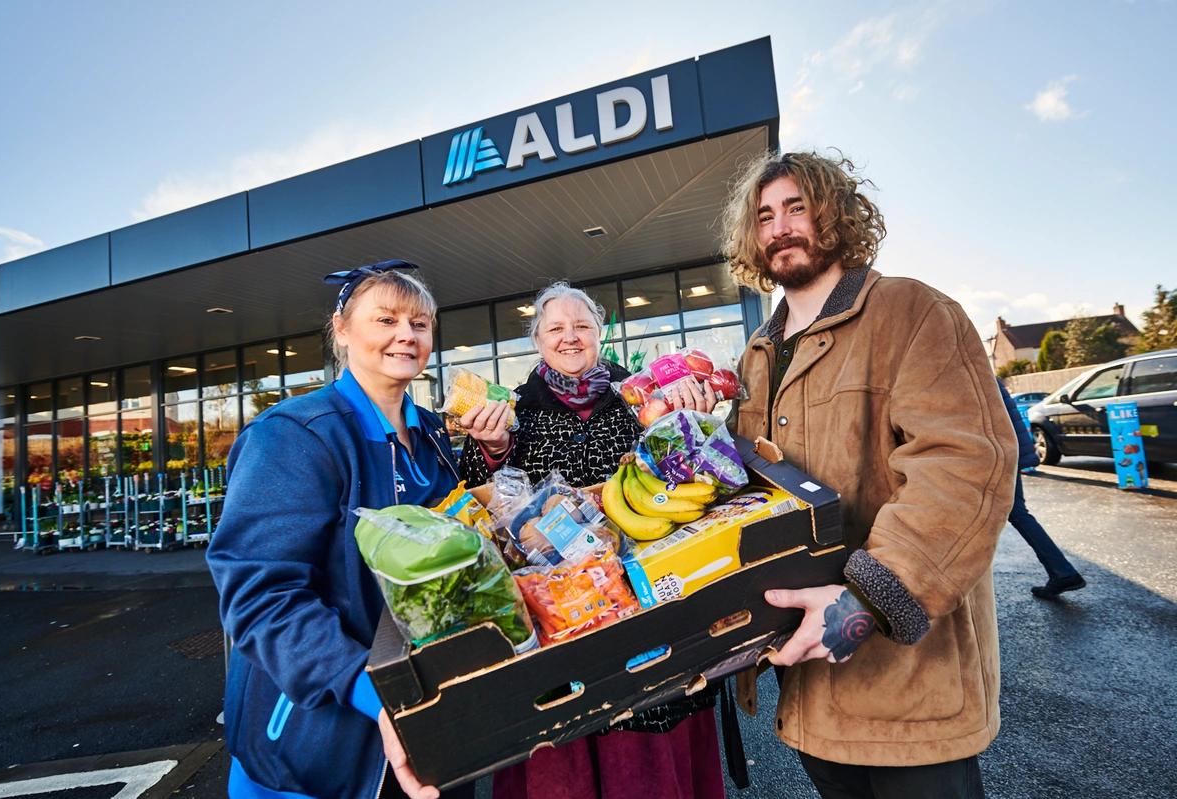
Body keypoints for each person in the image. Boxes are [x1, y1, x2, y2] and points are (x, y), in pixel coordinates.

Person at [721, 150, 1016, 799]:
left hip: (908, 697)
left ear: (837, 212)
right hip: (810, 697)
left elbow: (967, 467)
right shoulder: (757, 353)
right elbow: (756, 488)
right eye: (764, 215)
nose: (780, 226)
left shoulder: (911, 310)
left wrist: (863, 605)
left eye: (797, 206)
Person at [457, 281, 726, 799]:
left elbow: (695, 477)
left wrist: (691, 421)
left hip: (644, 593)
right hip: (557, 606)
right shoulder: (512, 409)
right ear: (537, 340)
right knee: (563, 739)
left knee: (646, 724)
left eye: (582, 326)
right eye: (555, 328)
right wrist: (491, 449)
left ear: (600, 334)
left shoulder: (642, 395)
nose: (570, 337)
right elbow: (478, 501)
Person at [207, 261, 464, 799]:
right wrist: (374, 693)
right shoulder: (296, 435)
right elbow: (261, 596)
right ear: (342, 330)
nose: (405, 336)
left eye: (420, 324)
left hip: (428, 718)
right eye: (385, 319)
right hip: (317, 745)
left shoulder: (434, 435)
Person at [996, 380, 1086, 599]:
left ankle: (1062, 571)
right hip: (1006, 452)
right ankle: (1062, 571)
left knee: (1012, 513)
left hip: (997, 455)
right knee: (1017, 513)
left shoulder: (973, 368)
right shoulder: (984, 370)